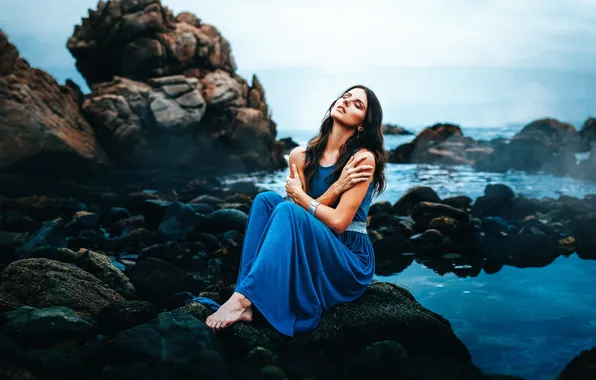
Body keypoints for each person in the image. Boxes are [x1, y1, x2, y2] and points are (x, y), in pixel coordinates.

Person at [204, 85, 387, 336]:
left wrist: (301, 196)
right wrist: (335, 189)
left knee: (288, 210)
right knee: (266, 200)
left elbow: (337, 223)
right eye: (345, 96)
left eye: (357, 104)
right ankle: (243, 294)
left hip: (347, 256)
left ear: (363, 125)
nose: (346, 101)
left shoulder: (362, 159)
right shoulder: (300, 156)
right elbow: (299, 214)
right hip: (314, 243)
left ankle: (242, 300)